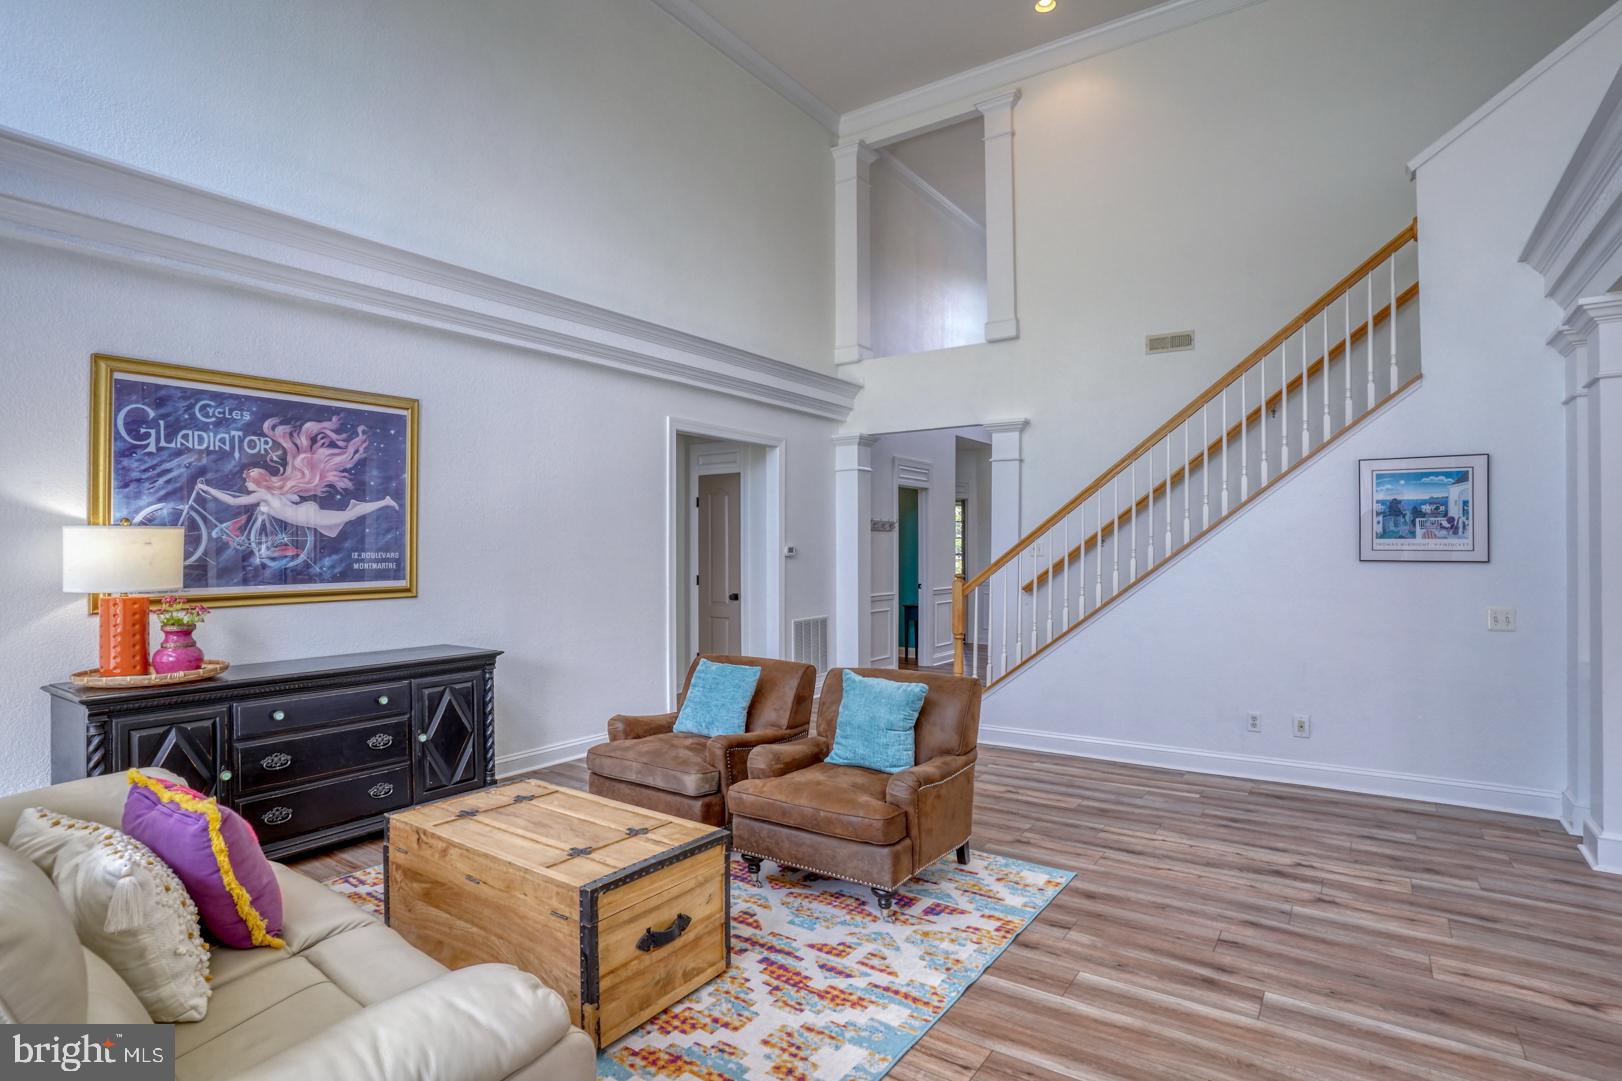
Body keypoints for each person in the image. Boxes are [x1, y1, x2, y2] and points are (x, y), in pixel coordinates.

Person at [195, 416, 398, 539]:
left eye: (248, 480)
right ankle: (356, 504)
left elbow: (233, 501)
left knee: (350, 516)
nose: (246, 484)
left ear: (256, 482)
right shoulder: (271, 492)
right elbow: (292, 499)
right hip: (304, 514)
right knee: (333, 529)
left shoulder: (264, 495)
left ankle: (384, 502)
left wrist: (208, 489)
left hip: (307, 516)